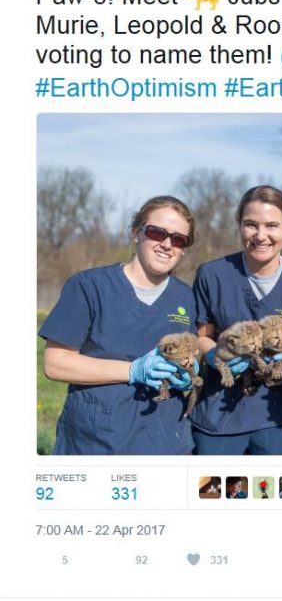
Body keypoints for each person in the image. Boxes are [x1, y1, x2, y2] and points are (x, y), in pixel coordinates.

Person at [39, 195, 197, 455]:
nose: (167, 245)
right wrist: (133, 370)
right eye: (157, 233)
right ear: (136, 233)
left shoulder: (186, 298)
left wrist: (189, 373)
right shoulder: (89, 286)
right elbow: (55, 364)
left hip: (166, 443)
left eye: (179, 239)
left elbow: (191, 353)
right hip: (96, 442)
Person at [191, 185, 282, 455]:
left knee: (275, 495)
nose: (261, 236)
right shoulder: (212, 275)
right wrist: (216, 354)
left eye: (272, 225)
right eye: (251, 225)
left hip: (278, 416)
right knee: (212, 494)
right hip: (218, 413)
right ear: (239, 225)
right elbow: (201, 336)